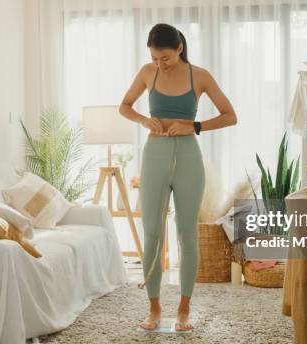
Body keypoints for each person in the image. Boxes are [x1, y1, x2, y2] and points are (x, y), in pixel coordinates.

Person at [119, 23, 237, 332]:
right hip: (155, 157)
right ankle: (154, 308)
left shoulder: (200, 75)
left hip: (188, 159)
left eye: (166, 58)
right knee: (152, 235)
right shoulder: (148, 73)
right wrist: (145, 120)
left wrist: (194, 126)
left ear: (180, 49)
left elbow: (230, 115)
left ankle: (184, 309)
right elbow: (124, 106)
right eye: (156, 58)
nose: (161, 64)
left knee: (187, 234)